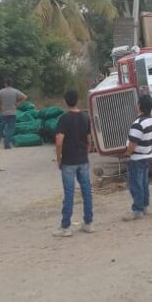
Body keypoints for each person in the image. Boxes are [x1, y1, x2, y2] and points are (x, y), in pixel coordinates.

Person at [53, 89, 94, 237]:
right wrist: (86, 152)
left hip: (69, 161)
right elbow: (89, 140)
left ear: (66, 101)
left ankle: (66, 227)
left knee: (69, 193)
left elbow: (59, 141)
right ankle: (88, 223)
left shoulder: (64, 119)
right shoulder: (85, 117)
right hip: (82, 160)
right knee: (86, 191)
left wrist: (59, 158)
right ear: (77, 100)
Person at [123, 94, 152, 221]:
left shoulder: (138, 123)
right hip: (147, 155)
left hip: (137, 158)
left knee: (136, 184)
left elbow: (133, 143)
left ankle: (137, 210)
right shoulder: (151, 120)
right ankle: (145, 206)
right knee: (144, 183)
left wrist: (127, 154)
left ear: (140, 106)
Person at [0, 77, 26, 149]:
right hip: (12, 112)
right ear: (11, 84)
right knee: (10, 129)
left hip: (3, 113)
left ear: (5, 84)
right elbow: (24, 97)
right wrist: (18, 103)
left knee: (0, 128)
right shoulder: (15, 91)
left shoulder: (1, 91)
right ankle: (7, 144)